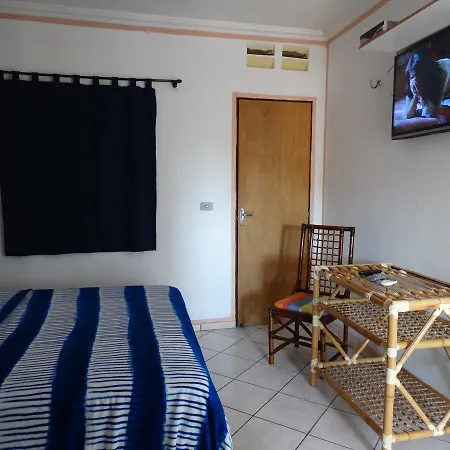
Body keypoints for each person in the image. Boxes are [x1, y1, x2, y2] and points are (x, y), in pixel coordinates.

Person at [404, 51, 450, 120]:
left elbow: (429, 114)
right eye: (412, 76)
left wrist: (422, 96)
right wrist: (415, 96)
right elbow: (407, 115)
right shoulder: (411, 82)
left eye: (418, 76)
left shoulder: (440, 76)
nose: (415, 80)